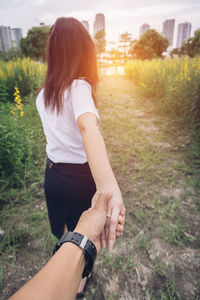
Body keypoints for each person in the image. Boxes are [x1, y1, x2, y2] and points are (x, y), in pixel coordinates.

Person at [36, 17, 125, 297]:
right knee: (84, 235)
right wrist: (108, 186)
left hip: (52, 175)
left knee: (63, 228)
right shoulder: (79, 87)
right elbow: (87, 126)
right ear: (81, 50)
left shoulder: (43, 95)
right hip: (78, 179)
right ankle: (78, 286)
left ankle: (62, 269)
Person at [9, 193, 118, 300]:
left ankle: (76, 269)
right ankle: (73, 262)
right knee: (62, 223)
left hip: (82, 187)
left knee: (76, 215)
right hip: (57, 183)